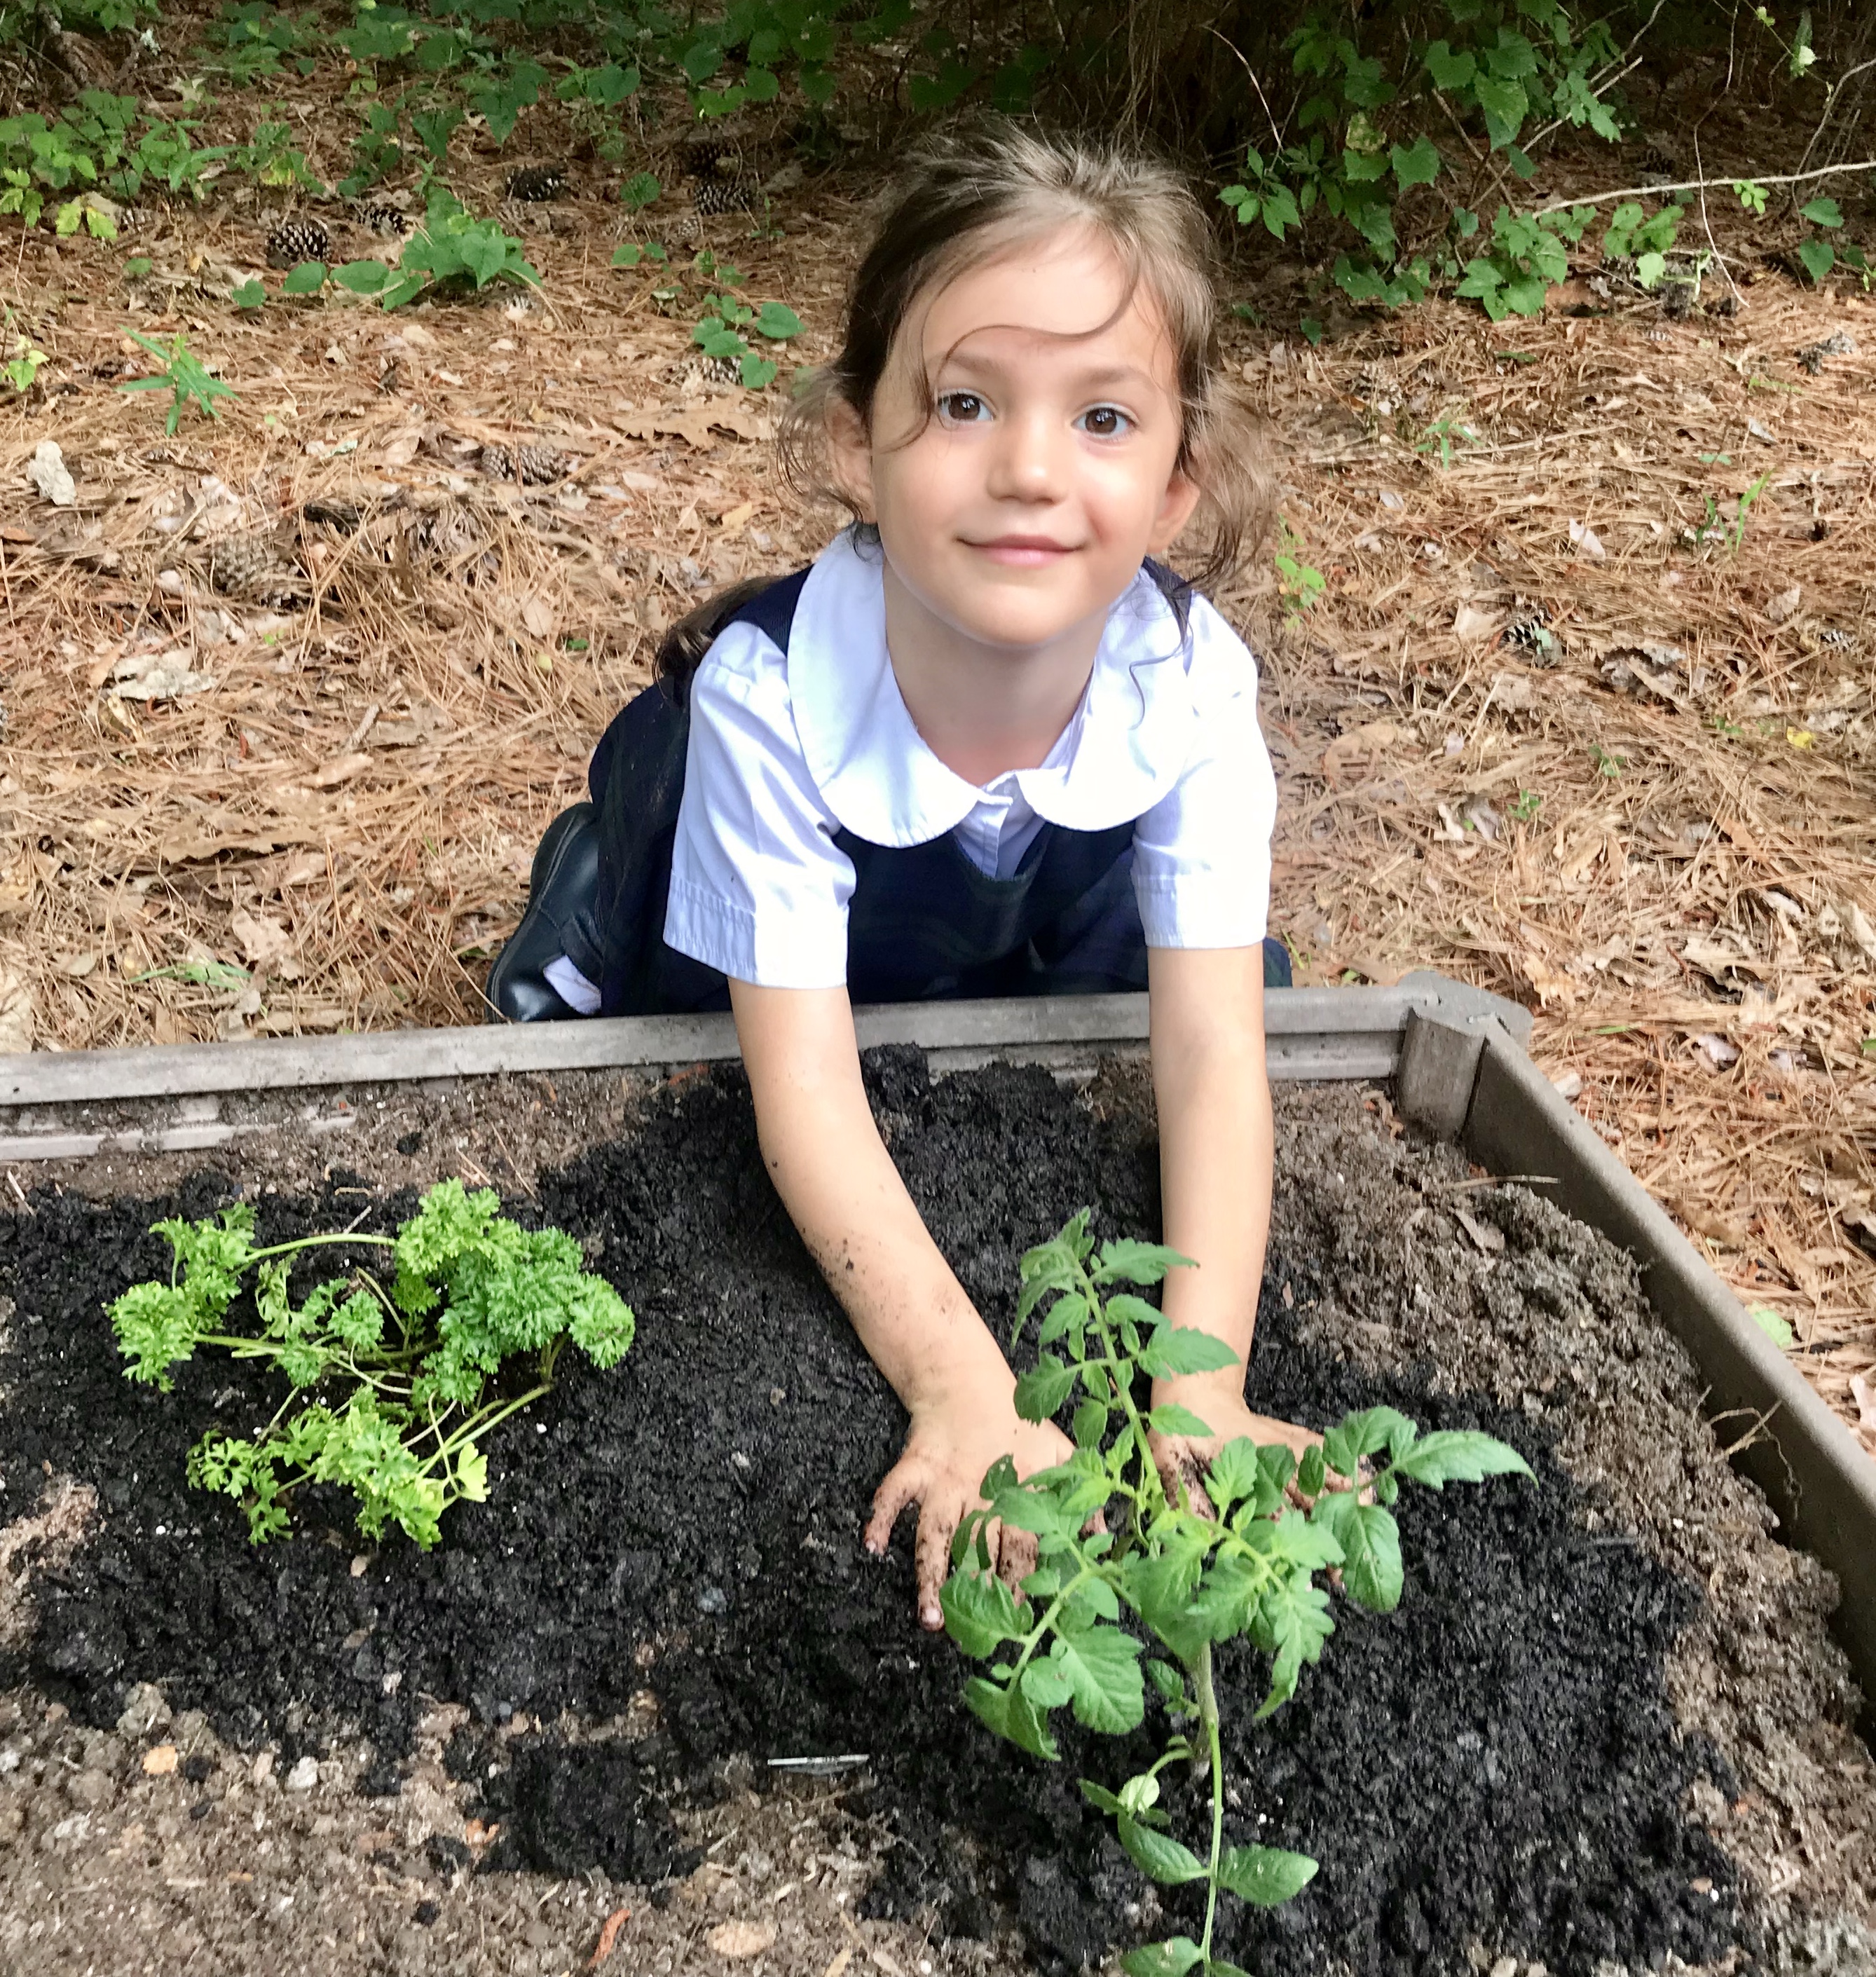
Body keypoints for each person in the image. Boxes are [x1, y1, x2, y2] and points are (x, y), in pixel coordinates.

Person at [488, 121, 1313, 1629]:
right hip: (743, 904)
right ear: (851, 442)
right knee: (637, 1013)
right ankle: (587, 891)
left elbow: (1207, 1052)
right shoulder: (770, 702)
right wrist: (966, 1390)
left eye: (1106, 420)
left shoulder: (1186, 690)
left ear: (1182, 482)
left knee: (1186, 977)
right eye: (962, 401)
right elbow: (801, 1086)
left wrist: (1202, 1387)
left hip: (1013, 916)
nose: (1028, 468)